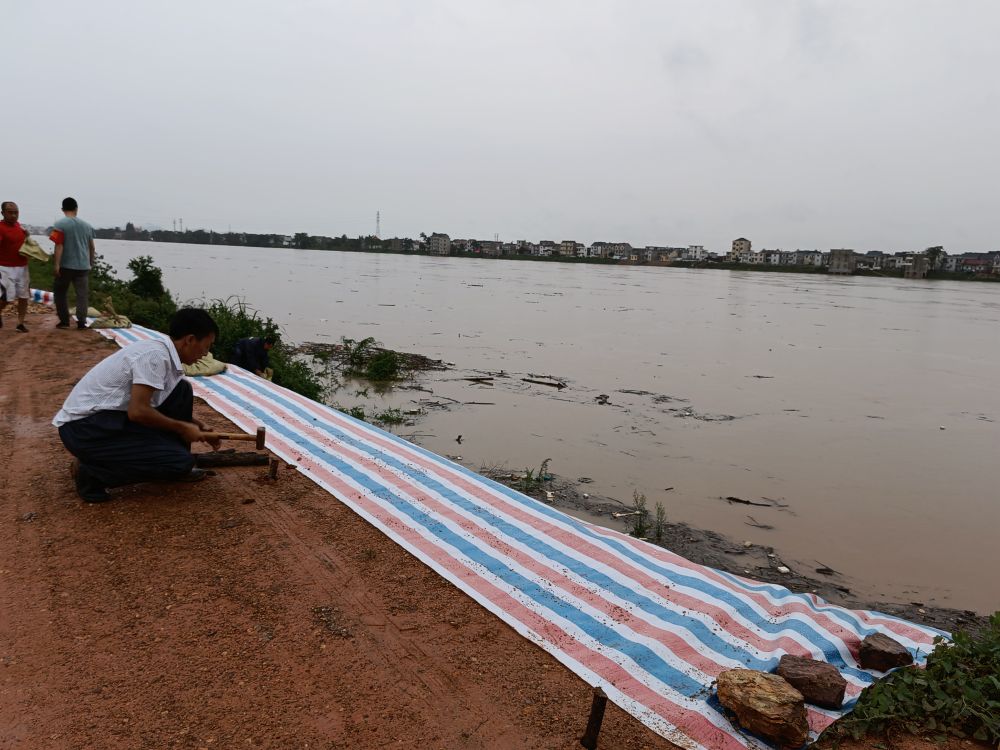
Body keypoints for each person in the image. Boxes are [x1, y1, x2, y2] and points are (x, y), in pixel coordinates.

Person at [53, 308, 222, 503]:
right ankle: (93, 473)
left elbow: (151, 403)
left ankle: (172, 458)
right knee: (179, 462)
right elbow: (138, 411)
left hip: (105, 419)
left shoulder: (163, 352)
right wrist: (183, 427)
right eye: (206, 347)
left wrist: (197, 425)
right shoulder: (155, 357)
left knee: (180, 390)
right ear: (190, 340)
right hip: (85, 430)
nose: (206, 354)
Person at [50, 196, 96, 330]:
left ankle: (64, 322)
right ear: (76, 208)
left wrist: (56, 265)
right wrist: (90, 263)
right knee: (82, 295)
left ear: (62, 209)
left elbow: (59, 245)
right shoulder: (87, 226)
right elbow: (92, 247)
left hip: (66, 265)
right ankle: (81, 322)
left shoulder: (59, 224)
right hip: (83, 266)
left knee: (60, 292)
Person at [0, 201, 30, 332]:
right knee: (7, 297)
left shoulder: (20, 227)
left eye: (16, 212)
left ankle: (20, 323)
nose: (13, 215)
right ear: (3, 213)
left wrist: (28, 236)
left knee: (24, 296)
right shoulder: (0, 228)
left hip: (22, 267)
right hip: (5, 267)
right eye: (10, 212)